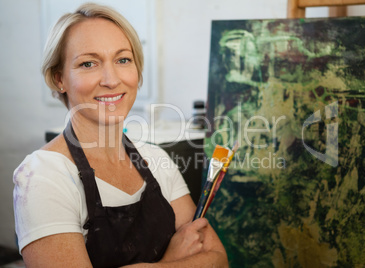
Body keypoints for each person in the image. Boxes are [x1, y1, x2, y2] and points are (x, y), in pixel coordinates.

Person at [13, 3, 228, 267]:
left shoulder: (156, 159)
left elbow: (217, 259)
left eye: (123, 59)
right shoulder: (43, 176)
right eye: (88, 63)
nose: (111, 80)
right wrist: (167, 262)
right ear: (60, 79)